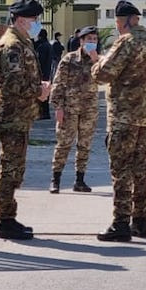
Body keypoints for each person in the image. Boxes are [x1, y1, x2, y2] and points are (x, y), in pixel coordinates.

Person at [93, 0, 146, 241]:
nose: (117, 27)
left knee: (121, 170)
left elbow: (102, 75)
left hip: (123, 117)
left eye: (117, 22)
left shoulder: (124, 43)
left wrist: (98, 61)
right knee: (142, 168)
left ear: (126, 20)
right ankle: (141, 220)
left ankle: (121, 223)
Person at [0, 0, 50, 239]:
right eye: (35, 20)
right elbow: (14, 82)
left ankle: (8, 218)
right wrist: (40, 91)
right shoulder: (13, 45)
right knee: (10, 168)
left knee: (15, 168)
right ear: (22, 19)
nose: (37, 24)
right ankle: (5, 220)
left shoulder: (21, 41)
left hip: (19, 114)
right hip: (12, 114)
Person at [50, 25, 100, 194]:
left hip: (89, 109)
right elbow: (58, 84)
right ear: (81, 41)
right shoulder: (69, 59)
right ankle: (55, 179)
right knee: (63, 143)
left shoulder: (100, 62)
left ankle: (80, 180)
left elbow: (107, 80)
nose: (92, 42)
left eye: (94, 39)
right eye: (89, 39)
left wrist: (96, 61)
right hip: (69, 108)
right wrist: (58, 107)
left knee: (84, 145)